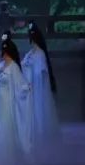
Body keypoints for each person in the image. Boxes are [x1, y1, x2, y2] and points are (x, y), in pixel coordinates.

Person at [0, 31, 33, 165]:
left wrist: (26, 88)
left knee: (7, 125)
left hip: (8, 101)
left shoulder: (14, 67)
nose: (3, 54)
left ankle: (9, 155)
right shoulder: (0, 66)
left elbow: (20, 84)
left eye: (5, 51)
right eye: (2, 51)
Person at [22, 21, 61, 154]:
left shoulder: (40, 54)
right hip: (29, 88)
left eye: (32, 36)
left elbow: (41, 73)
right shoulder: (30, 53)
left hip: (36, 89)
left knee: (38, 111)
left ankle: (40, 139)